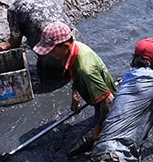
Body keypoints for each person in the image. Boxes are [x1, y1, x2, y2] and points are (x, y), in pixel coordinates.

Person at [34, 22, 117, 157]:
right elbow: (75, 73)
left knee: (73, 151)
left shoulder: (86, 70)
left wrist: (99, 128)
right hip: (95, 93)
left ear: (65, 46)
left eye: (52, 50)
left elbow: (108, 102)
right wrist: (76, 94)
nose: (49, 54)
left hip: (107, 106)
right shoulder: (73, 49)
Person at [0, 0, 76, 81]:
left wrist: (6, 45)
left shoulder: (15, 8)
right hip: (75, 43)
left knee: (46, 79)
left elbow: (15, 42)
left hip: (55, 51)